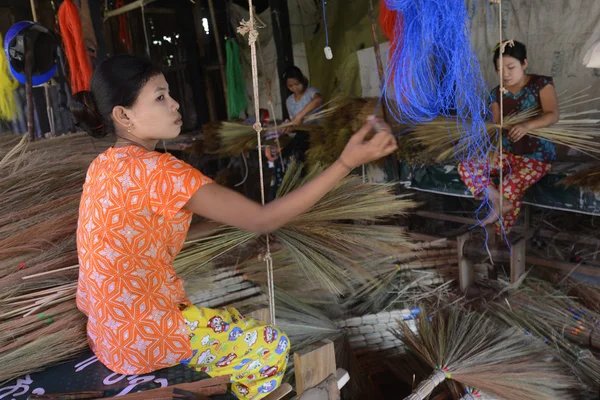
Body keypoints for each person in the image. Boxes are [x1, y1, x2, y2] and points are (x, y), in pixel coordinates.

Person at [71, 55, 397, 399]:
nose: (175, 104)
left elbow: (145, 239)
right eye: (160, 97)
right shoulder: (160, 172)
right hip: (145, 337)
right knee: (270, 346)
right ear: (123, 115)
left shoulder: (103, 166)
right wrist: (347, 161)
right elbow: (264, 219)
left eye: (169, 93)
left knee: (231, 320)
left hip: (107, 332)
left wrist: (226, 226)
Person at [458, 40, 559, 233]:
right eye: (499, 69)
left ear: (525, 64)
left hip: (536, 158)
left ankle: (500, 236)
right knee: (468, 166)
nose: (505, 74)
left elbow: (553, 114)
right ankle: (497, 200)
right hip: (507, 154)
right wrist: (490, 140)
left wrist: (526, 125)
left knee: (509, 186)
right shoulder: (496, 93)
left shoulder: (541, 84)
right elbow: (496, 125)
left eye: (511, 67)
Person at [265, 66, 322, 200]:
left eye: (297, 84)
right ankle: (277, 196)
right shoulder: (289, 101)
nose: (294, 88)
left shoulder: (311, 92)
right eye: (290, 86)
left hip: (316, 132)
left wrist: (300, 115)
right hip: (301, 133)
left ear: (302, 80)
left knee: (296, 156)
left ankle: (301, 193)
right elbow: (294, 123)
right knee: (281, 158)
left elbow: (318, 100)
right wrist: (290, 127)